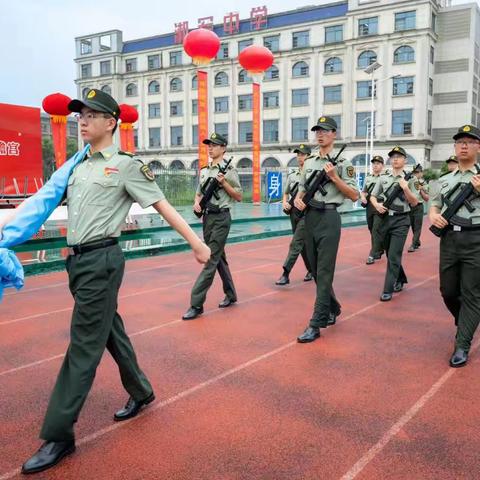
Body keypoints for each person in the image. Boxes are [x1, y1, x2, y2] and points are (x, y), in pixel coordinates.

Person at [21, 89, 211, 474]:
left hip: (103, 261)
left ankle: (59, 434)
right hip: (77, 264)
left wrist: (196, 242)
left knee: (83, 345)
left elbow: (161, 204)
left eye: (92, 115)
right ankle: (141, 391)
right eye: (80, 115)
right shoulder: (77, 166)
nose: (83, 120)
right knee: (108, 330)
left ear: (111, 123)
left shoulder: (124, 166)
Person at [294, 116, 359, 343]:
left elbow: (354, 195)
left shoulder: (344, 164)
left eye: (325, 131)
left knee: (324, 271)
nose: (320, 134)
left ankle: (317, 322)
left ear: (334, 134)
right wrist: (298, 201)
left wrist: (335, 178)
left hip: (330, 217)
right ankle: (333, 306)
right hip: (309, 217)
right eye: (317, 131)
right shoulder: (309, 161)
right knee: (313, 267)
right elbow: (302, 190)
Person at [429, 124, 480, 368]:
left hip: (476, 239)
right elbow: (434, 205)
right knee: (447, 291)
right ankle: (467, 320)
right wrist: (433, 217)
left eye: (469, 141)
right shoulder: (444, 179)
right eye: (460, 141)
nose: (463, 145)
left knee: (471, 293)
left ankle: (462, 343)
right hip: (449, 239)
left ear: (478, 147)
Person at [182, 133, 242, 320]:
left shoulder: (229, 171)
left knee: (211, 259)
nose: (210, 148)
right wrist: (196, 203)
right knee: (219, 258)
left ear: (223, 148)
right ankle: (231, 294)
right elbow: (199, 193)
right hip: (207, 218)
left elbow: (239, 196)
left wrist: (224, 183)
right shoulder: (205, 170)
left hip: (222, 218)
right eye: (209, 145)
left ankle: (196, 303)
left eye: (215, 145)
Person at [370, 146, 418, 302]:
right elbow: (373, 196)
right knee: (390, 253)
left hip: (401, 220)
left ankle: (387, 289)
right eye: (393, 156)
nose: (395, 159)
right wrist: (376, 205)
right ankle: (401, 278)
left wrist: (406, 189)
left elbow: (415, 202)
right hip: (384, 219)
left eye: (399, 156)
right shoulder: (383, 177)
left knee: (394, 254)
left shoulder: (411, 179)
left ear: (405, 160)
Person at [275, 144, 313, 285]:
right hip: (293, 213)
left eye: (302, 154)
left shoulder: (312, 175)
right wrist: (284, 203)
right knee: (301, 245)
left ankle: (286, 273)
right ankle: (311, 270)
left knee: (295, 243)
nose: (299, 157)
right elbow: (285, 193)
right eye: (298, 154)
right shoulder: (292, 176)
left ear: (309, 156)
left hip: (307, 214)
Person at [361, 155, 385, 265]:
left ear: (382, 165)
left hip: (379, 204)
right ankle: (379, 248)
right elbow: (364, 191)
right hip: (370, 206)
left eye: (378, 163)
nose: (375, 165)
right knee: (371, 229)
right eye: (374, 163)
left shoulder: (385, 178)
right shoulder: (368, 177)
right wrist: (362, 198)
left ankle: (372, 254)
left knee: (376, 229)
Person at [407, 165, 429, 252]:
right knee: (412, 225)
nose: (416, 174)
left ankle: (413, 244)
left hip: (419, 206)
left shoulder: (424, 183)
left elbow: (427, 198)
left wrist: (421, 189)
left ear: (421, 173)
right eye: (414, 172)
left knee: (417, 226)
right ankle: (417, 241)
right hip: (409, 206)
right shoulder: (409, 181)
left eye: (417, 172)